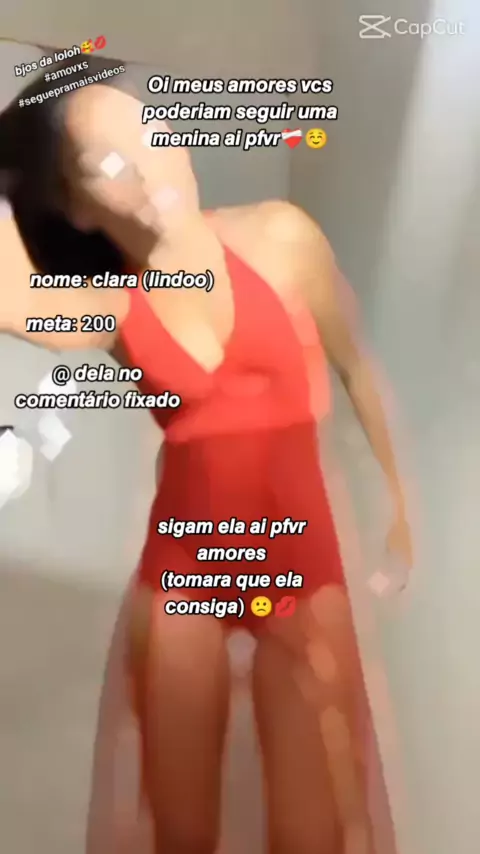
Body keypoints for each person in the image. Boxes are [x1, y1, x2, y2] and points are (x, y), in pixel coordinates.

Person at [0, 55, 412, 854]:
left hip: (300, 572)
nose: (148, 171)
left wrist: (398, 506)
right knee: (179, 828)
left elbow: (358, 369)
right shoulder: (109, 308)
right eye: (107, 164)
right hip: (181, 577)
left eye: (151, 134)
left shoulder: (280, 238)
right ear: (74, 205)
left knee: (314, 825)